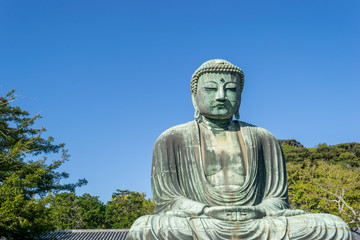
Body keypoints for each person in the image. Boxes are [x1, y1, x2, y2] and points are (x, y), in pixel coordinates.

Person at [127, 59, 352, 239]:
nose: (221, 96)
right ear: (194, 99)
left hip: (258, 222)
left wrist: (259, 210)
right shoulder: (172, 138)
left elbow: (278, 199)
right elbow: (168, 201)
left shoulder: (263, 138)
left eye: (231, 89)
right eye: (211, 89)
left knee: (334, 227)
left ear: (241, 98)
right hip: (202, 222)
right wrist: (206, 211)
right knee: (145, 229)